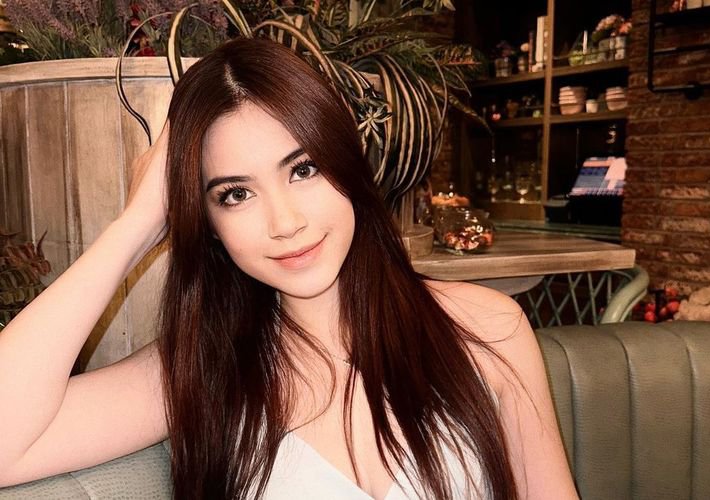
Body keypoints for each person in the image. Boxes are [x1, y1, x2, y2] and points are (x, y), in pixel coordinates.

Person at [0, 37, 578, 499]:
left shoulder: (487, 328)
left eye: (303, 169)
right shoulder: (199, 367)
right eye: (235, 194)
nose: (285, 222)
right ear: (207, 221)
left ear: (346, 162)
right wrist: (136, 224)